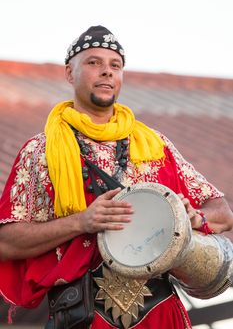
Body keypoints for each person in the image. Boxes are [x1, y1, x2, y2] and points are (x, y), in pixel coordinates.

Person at [0, 25, 232, 329]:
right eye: (94, 63)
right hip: (83, 315)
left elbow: (223, 213)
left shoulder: (154, 145)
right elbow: (6, 241)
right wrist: (81, 222)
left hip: (161, 313)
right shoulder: (39, 151)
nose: (107, 72)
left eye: (115, 65)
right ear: (70, 73)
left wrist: (191, 218)